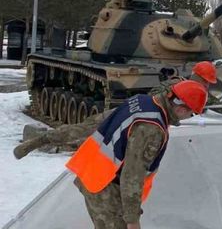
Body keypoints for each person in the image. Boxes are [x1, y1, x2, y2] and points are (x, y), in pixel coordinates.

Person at [12, 62, 222, 160]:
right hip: (135, 121)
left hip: (126, 111)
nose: (208, 86)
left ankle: (40, 141)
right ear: (201, 78)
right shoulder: (189, 91)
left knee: (84, 129)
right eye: (207, 82)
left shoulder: (184, 85)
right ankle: (46, 142)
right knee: (92, 136)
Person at [65, 80, 207, 229]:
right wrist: (132, 220)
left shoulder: (141, 101)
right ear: (181, 109)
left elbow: (95, 122)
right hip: (106, 189)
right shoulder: (152, 129)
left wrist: (46, 138)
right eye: (192, 113)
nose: (190, 117)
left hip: (93, 176)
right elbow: (132, 174)